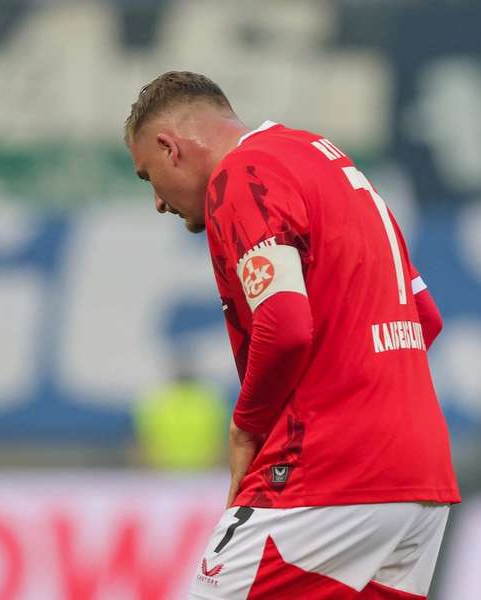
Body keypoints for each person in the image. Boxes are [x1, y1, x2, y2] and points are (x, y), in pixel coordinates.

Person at [124, 72, 460, 599]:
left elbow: (283, 325)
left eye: (148, 176)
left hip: (328, 469)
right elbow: (425, 316)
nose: (158, 203)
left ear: (170, 148)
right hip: (420, 478)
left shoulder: (242, 175)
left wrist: (246, 426)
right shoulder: (328, 163)